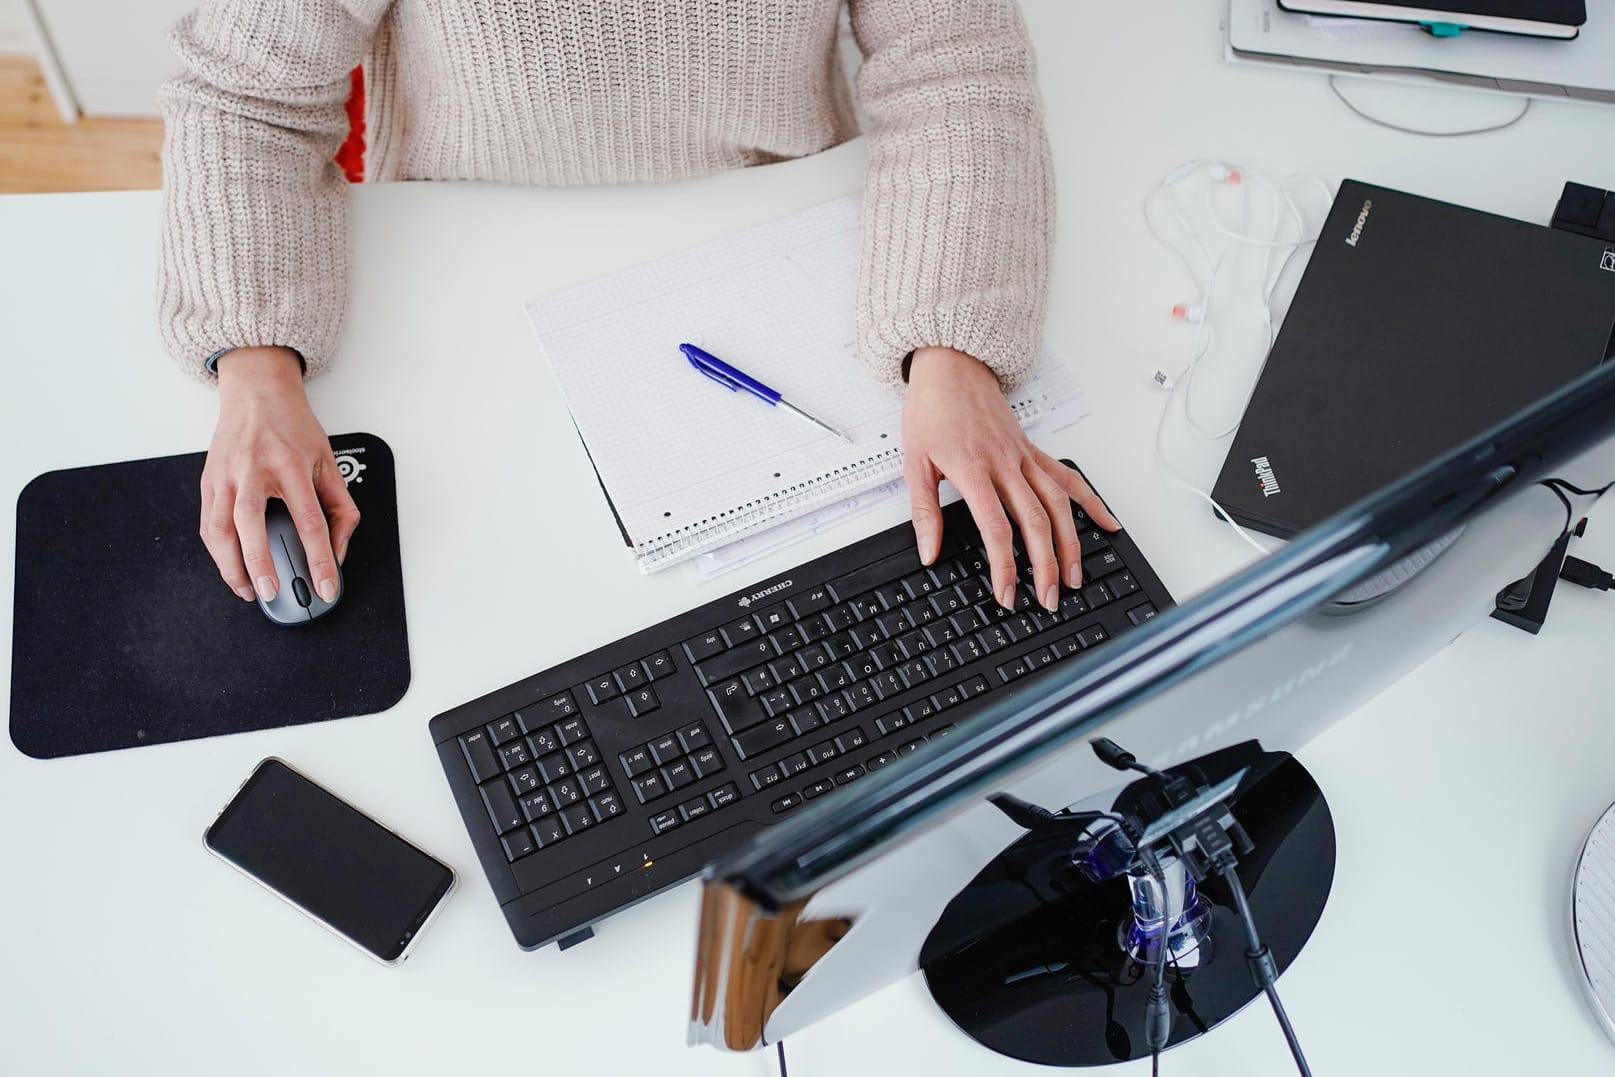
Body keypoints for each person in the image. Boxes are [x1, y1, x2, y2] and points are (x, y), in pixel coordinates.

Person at [157, 0, 1118, 619]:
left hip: (773, 239)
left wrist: (952, 348)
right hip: (472, 265)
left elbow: (955, 63)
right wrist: (253, 363)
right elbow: (245, 95)